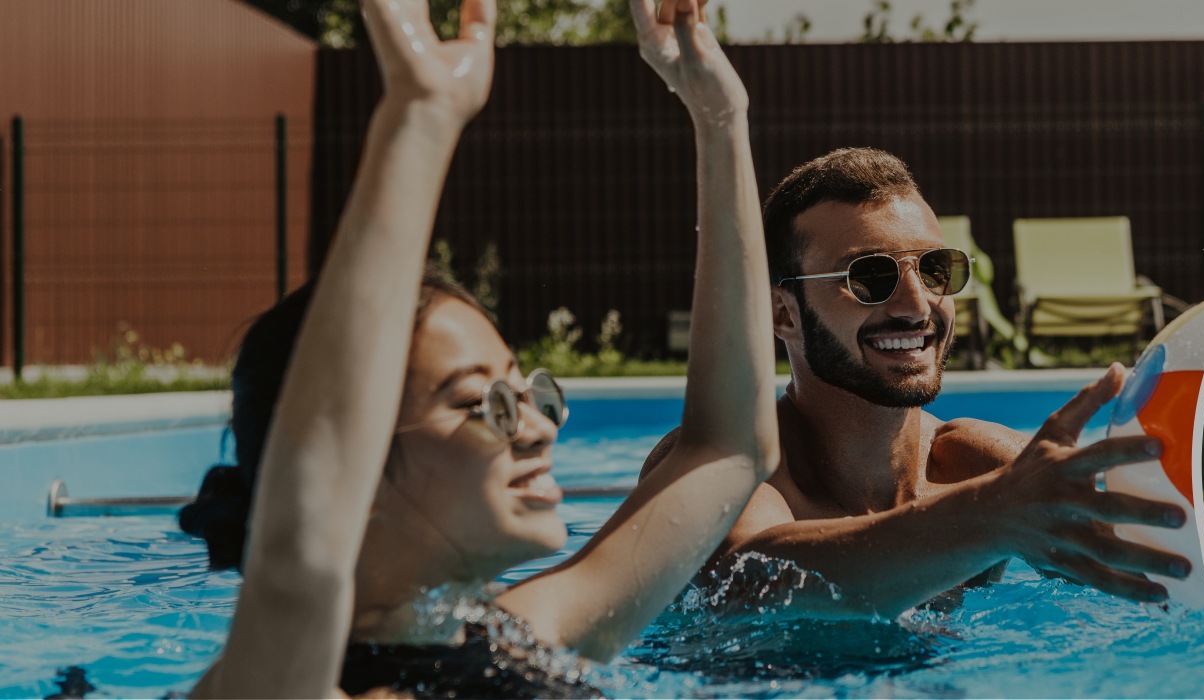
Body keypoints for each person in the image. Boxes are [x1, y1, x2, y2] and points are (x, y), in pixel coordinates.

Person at [179, 0, 777, 696]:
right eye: (480, 401)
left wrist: (719, 117)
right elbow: (301, 552)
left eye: (530, 394)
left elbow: (732, 450)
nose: (536, 428)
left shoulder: (519, 638)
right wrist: (422, 116)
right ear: (359, 467)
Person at [641, 147, 1193, 619]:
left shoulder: (980, 466)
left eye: (935, 270)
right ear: (784, 314)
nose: (916, 305)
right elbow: (749, 577)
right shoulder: (722, 463)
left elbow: (1155, 568)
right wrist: (988, 516)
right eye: (870, 277)